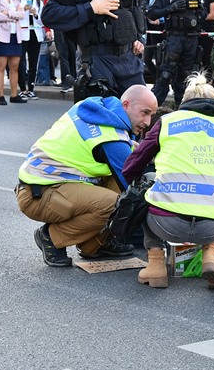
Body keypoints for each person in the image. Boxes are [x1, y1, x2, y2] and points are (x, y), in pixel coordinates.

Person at [123, 73, 214, 289]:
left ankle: (155, 265)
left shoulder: (167, 122)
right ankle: (212, 254)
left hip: (166, 223)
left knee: (146, 182)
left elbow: (131, 168)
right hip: (213, 226)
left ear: (184, 102)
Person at [16, 85, 158, 267]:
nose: (147, 122)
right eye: (144, 112)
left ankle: (94, 244)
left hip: (48, 183)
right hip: (38, 194)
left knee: (116, 184)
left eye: (151, 115)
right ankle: (51, 237)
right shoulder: (110, 138)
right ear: (126, 105)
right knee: (118, 203)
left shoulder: (96, 109)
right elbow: (138, 185)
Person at [42, 0, 146, 96]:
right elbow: (49, 15)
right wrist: (90, 8)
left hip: (130, 61)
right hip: (97, 62)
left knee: (142, 113)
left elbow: (133, 10)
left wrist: (138, 38)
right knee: (101, 116)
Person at [147, 0, 205, 107]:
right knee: (165, 76)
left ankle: (182, 109)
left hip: (191, 40)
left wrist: (199, 10)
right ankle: (152, 110)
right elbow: (151, 13)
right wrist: (170, 8)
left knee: (186, 77)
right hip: (173, 39)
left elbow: (202, 15)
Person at [142, 0, 169, 84]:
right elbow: (144, 2)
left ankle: (162, 84)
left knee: (162, 58)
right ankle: (158, 80)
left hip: (166, 25)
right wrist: (149, 16)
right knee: (147, 58)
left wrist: (160, 17)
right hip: (151, 25)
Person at [17, 0, 45, 100]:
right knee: (20, 62)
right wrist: (24, 10)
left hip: (35, 34)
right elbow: (16, 17)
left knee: (33, 63)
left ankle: (31, 89)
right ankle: (23, 89)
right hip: (23, 34)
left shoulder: (39, 3)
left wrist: (35, 14)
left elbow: (42, 20)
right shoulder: (18, 2)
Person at [193, 0, 214, 83]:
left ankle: (209, 80)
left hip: (207, 30)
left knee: (205, 56)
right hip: (194, 30)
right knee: (194, 57)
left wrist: (198, 18)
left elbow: (212, 15)